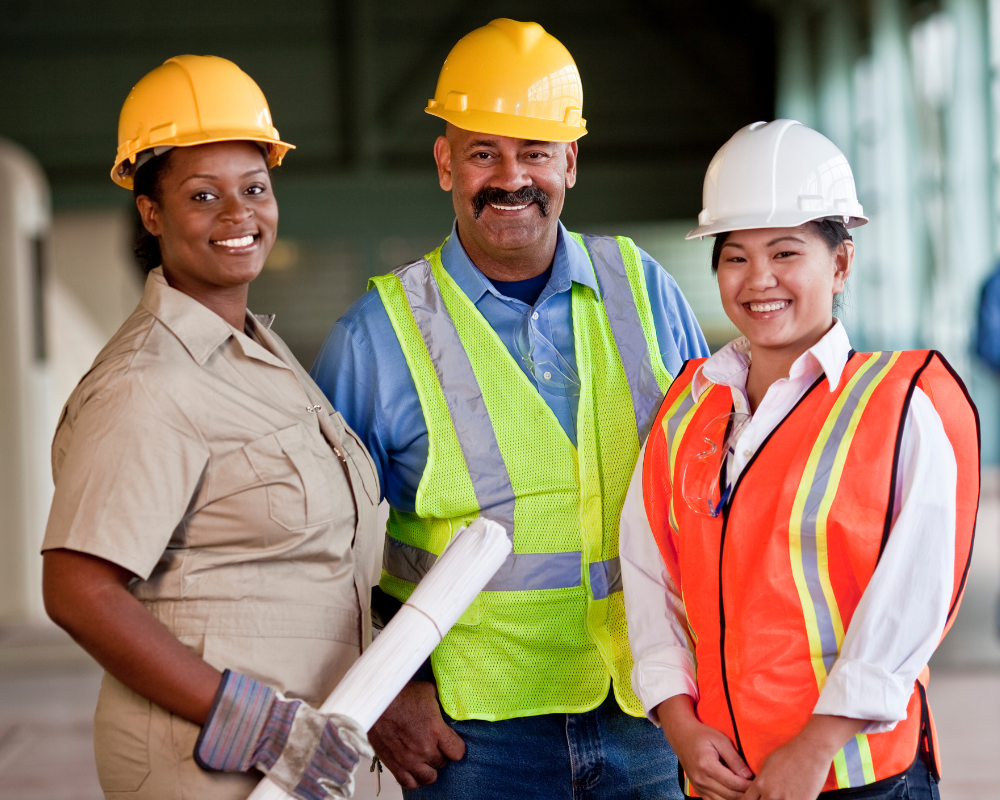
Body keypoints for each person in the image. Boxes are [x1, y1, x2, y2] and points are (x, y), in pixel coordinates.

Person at [311, 18, 707, 800]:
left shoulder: (644, 286)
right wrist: (386, 686)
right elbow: (324, 549)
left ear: (570, 161)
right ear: (444, 162)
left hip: (649, 707)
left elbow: (708, 477)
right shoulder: (376, 335)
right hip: (474, 731)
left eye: (534, 152)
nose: (511, 177)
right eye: (483, 152)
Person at [41, 55, 379, 800]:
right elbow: (77, 588)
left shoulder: (262, 351)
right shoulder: (151, 381)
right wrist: (259, 728)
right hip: (208, 765)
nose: (238, 215)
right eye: (203, 196)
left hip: (300, 755)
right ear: (151, 213)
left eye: (254, 188)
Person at [620, 119, 979, 800]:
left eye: (786, 253)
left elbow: (914, 597)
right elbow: (648, 576)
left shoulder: (899, 403)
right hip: (722, 773)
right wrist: (680, 726)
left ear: (840, 263)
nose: (760, 281)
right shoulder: (687, 410)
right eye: (735, 257)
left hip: (858, 777)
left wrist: (816, 747)